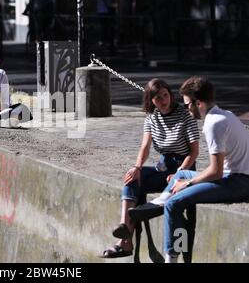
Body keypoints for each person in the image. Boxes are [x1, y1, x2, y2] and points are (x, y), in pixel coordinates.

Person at [131, 76, 249, 263]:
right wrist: (185, 179)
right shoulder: (225, 114)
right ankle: (160, 201)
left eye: (187, 104)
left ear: (198, 103)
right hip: (235, 176)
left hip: (239, 182)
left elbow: (216, 172)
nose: (186, 108)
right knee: (182, 174)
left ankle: (172, 258)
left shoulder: (213, 124)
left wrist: (188, 183)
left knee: (174, 204)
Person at [100, 78, 200, 258]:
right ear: (150, 100)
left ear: (170, 94)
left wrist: (180, 173)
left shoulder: (185, 116)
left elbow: (193, 152)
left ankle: (125, 242)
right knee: (133, 177)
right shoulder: (151, 118)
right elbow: (145, 147)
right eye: (158, 98)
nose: (163, 100)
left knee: (174, 206)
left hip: (184, 169)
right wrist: (137, 167)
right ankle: (125, 228)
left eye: (165, 95)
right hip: (164, 168)